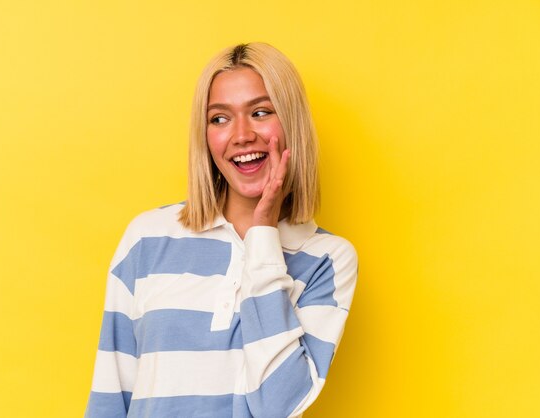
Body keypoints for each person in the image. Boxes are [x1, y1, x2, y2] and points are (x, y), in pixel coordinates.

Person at [85, 42, 358, 418]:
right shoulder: (147, 239)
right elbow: (109, 396)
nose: (241, 135)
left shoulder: (326, 260)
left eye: (260, 112)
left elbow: (277, 406)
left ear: (291, 123)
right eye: (219, 118)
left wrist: (263, 236)